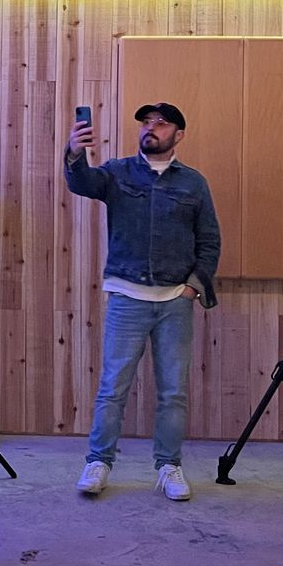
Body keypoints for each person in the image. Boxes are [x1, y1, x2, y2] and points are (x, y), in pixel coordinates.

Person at [65, 103, 221, 501]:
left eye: (161, 123)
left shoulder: (194, 184)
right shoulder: (118, 172)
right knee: (113, 387)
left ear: (178, 135)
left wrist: (192, 288)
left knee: (173, 392)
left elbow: (209, 241)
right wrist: (75, 152)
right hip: (127, 297)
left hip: (175, 302)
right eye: (146, 122)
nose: (151, 128)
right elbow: (81, 182)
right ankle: (98, 462)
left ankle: (169, 467)